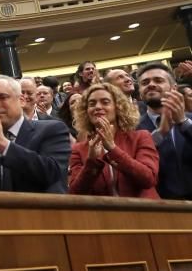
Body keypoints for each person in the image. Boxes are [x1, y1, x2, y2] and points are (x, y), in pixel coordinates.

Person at [0, 75, 71, 193]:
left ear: (21, 100)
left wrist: (3, 144)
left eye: (2, 97)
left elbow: (52, 174)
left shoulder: (52, 129)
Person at [68, 83, 159, 198]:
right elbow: (75, 193)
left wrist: (113, 149)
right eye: (92, 104)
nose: (97, 107)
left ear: (118, 108)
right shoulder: (78, 149)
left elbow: (148, 179)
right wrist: (91, 162)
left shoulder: (141, 137)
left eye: (105, 102)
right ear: (86, 112)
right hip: (102, 214)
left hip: (143, 212)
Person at [135, 62, 192, 200]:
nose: (151, 84)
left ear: (174, 88)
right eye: (145, 83)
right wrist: (160, 134)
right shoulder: (133, 129)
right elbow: (135, 165)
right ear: (140, 94)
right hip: (162, 207)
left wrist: (183, 123)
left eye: (158, 80)